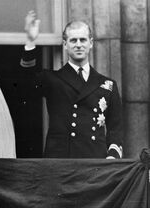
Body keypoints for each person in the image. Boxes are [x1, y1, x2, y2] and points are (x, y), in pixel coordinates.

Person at [20, 11, 123, 159]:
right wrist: (30, 41)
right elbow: (27, 81)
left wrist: (112, 155)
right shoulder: (53, 79)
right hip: (61, 160)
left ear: (91, 43)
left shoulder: (108, 84)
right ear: (65, 45)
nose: (79, 45)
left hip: (95, 161)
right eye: (73, 41)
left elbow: (115, 128)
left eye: (83, 40)